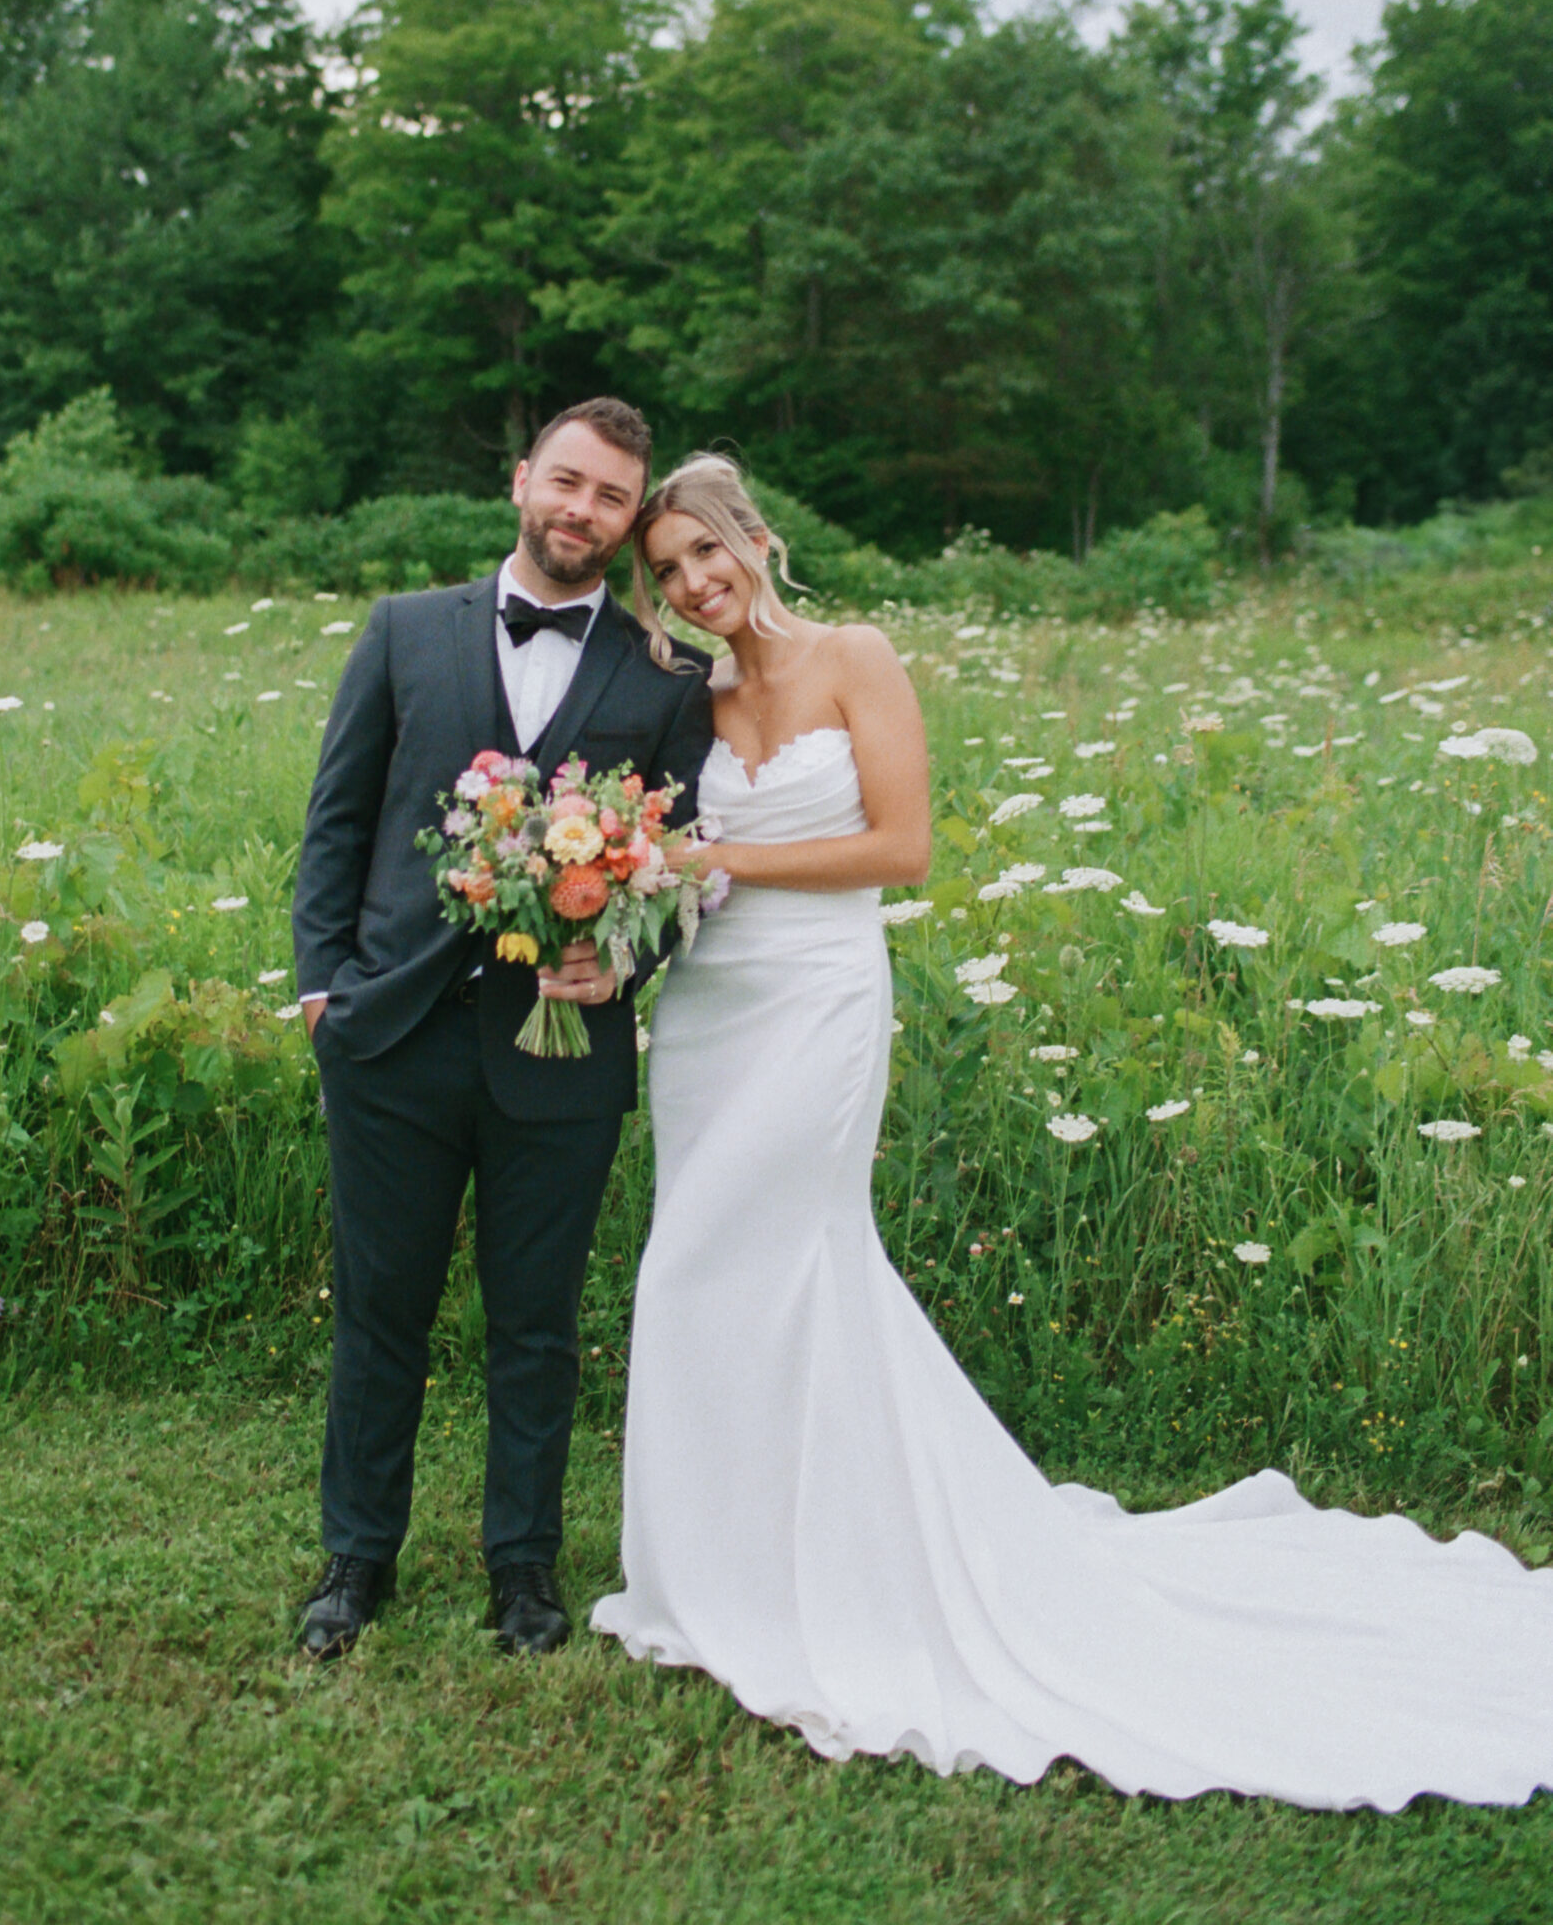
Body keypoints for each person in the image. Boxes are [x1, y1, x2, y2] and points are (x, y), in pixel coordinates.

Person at [591, 452, 1553, 1809]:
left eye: (708, 553)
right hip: (707, 1014)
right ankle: (723, 1568)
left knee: (775, 1251)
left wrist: (722, 860)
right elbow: (661, 851)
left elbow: (903, 846)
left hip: (816, 1001)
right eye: (669, 572)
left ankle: (857, 1573)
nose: (696, 584)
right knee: (701, 1266)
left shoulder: (853, 655)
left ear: (757, 538)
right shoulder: (691, 697)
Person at [291, 399, 714, 1663]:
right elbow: (336, 821)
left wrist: (623, 965)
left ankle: (521, 1565)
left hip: (563, 1052)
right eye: (567, 482)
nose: (581, 511)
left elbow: (690, 872)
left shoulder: (668, 675)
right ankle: (356, 1558)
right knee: (382, 1309)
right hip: (393, 1038)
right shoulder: (403, 631)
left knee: (535, 1320)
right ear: (522, 479)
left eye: (610, 498)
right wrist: (324, 992)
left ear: (629, 520)